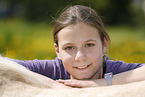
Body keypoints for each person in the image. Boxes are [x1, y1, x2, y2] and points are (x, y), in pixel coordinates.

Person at [8, 5, 145, 88]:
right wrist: (52, 85)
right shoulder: (54, 70)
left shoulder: (113, 69)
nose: (80, 57)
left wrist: (102, 83)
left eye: (89, 45)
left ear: (104, 44)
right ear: (57, 51)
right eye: (69, 48)